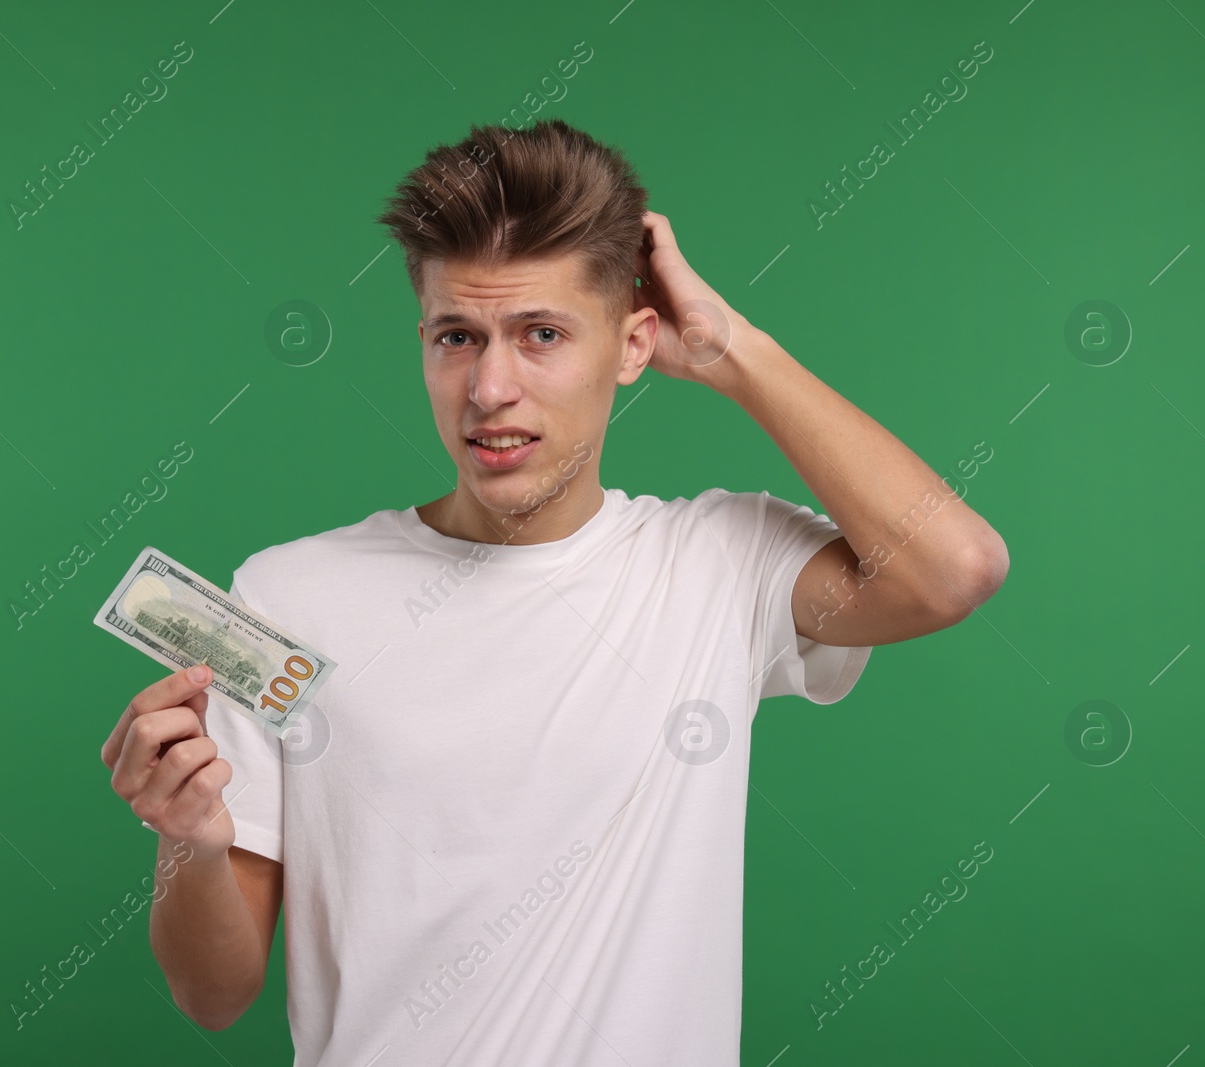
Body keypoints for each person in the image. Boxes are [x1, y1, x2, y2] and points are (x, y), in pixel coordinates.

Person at [100, 118, 1009, 1065]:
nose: (491, 386)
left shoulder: (716, 565)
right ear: (423, 341)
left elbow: (955, 568)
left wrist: (728, 349)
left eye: (541, 334)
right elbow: (212, 995)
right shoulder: (287, 593)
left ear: (634, 344)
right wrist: (193, 843)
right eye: (459, 335)